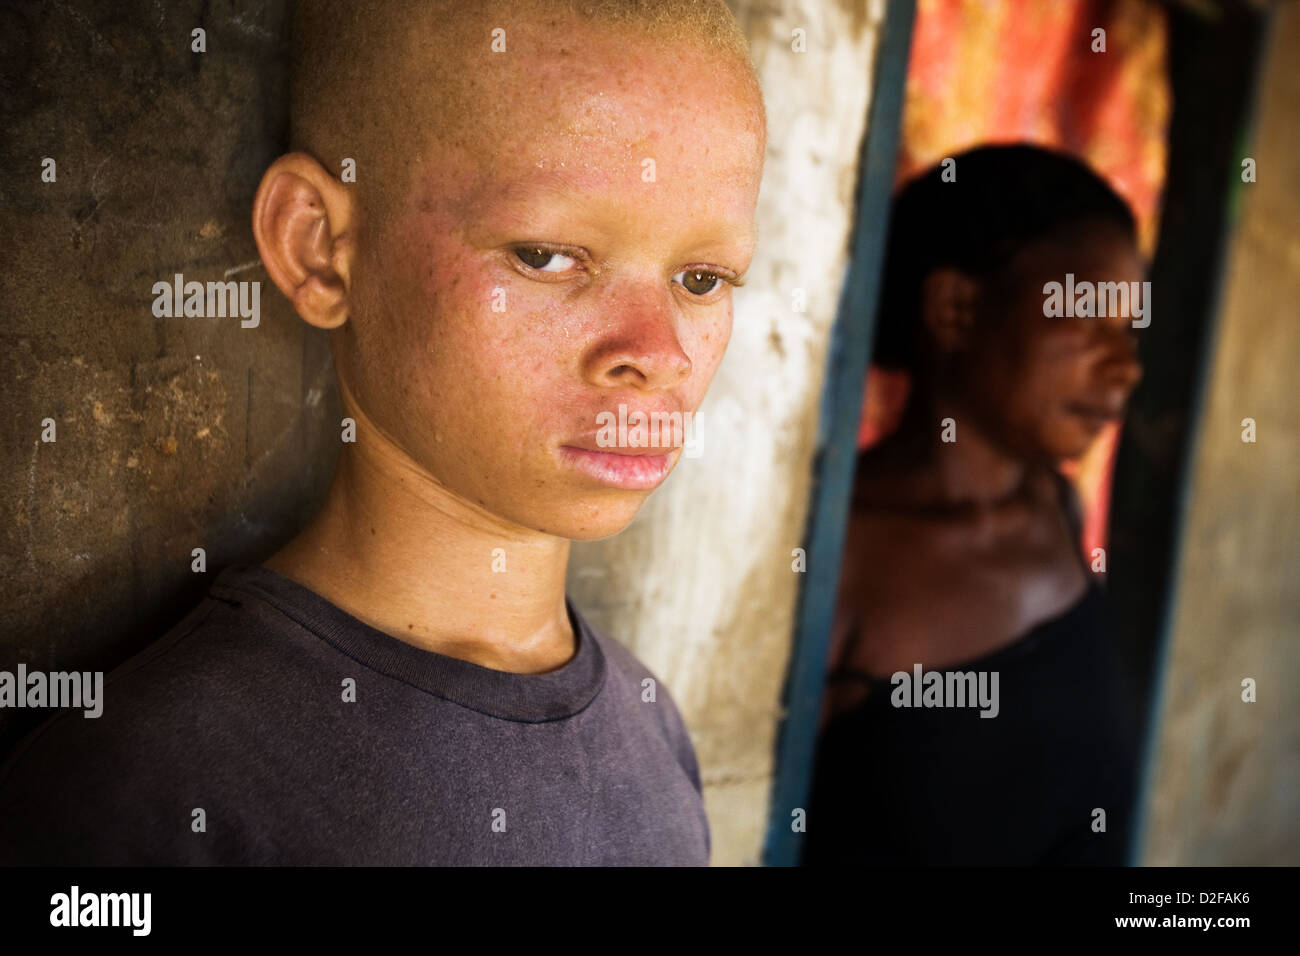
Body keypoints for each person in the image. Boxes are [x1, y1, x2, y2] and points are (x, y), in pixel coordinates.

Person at [0, 0, 766, 865]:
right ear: (321, 248)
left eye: (703, 278)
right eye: (546, 256)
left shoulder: (652, 725)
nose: (657, 354)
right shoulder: (158, 782)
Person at [803, 144, 1145, 866]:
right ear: (956, 307)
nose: (1126, 364)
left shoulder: (1053, 508)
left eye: (1130, 328)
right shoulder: (841, 556)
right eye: (1088, 317)